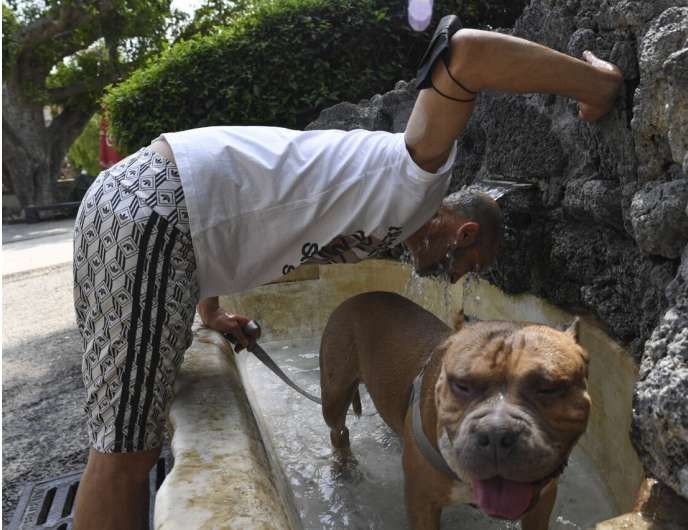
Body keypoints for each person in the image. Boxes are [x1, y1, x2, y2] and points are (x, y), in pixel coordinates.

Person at [71, 15, 622, 529]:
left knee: (128, 441)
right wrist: (591, 86)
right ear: (464, 234)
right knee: (124, 451)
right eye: (468, 266)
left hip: (175, 225)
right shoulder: (417, 175)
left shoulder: (381, 215)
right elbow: (467, 53)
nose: (456, 280)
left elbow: (247, 213)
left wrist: (209, 309)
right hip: (153, 211)